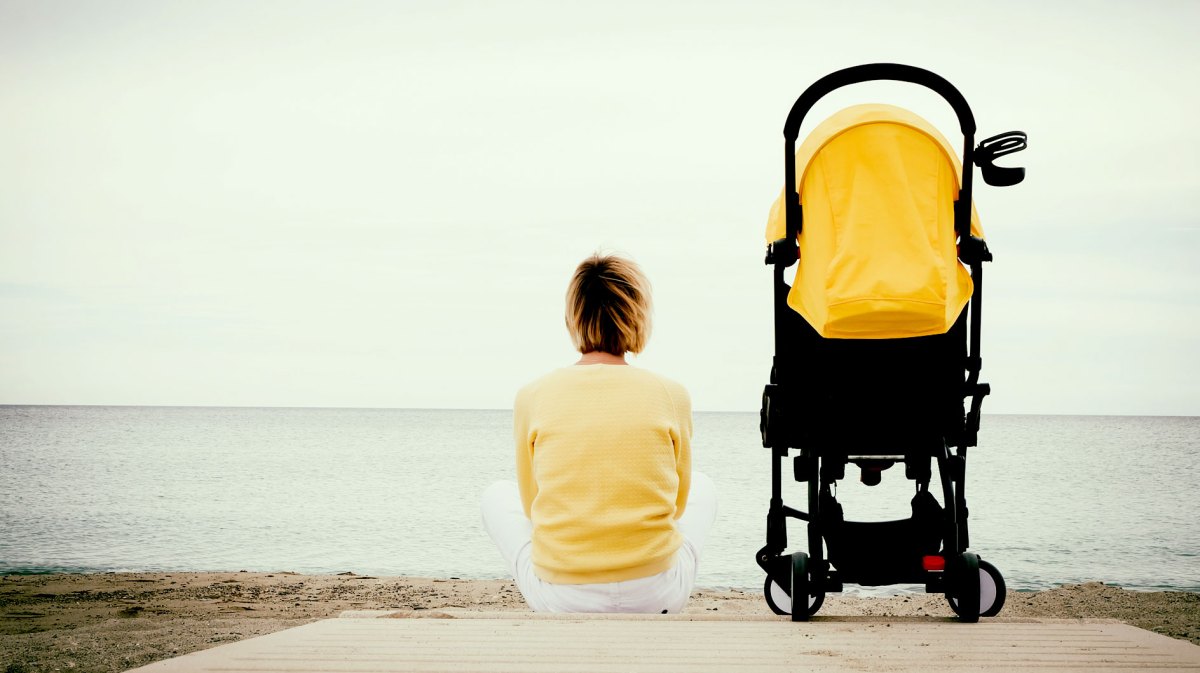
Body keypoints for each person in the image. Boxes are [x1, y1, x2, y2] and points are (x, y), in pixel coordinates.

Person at [481, 253, 717, 613]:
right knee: (704, 486)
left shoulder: (532, 395)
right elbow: (679, 504)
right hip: (656, 594)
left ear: (572, 318)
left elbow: (532, 506)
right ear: (638, 316)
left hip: (561, 598)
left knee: (496, 496)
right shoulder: (672, 394)